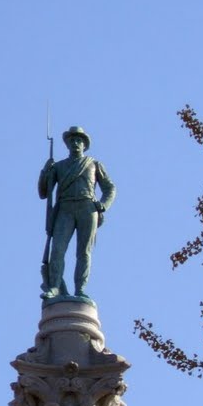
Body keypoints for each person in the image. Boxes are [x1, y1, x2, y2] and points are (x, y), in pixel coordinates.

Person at [39, 126, 116, 301]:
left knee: (84, 252)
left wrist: (103, 205)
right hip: (65, 208)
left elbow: (110, 187)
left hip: (87, 207)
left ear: (84, 144)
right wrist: (45, 171)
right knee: (57, 250)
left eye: (79, 140)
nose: (75, 143)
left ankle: (80, 288)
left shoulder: (94, 164)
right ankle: (55, 287)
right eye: (72, 140)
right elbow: (44, 192)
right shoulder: (58, 166)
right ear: (67, 144)